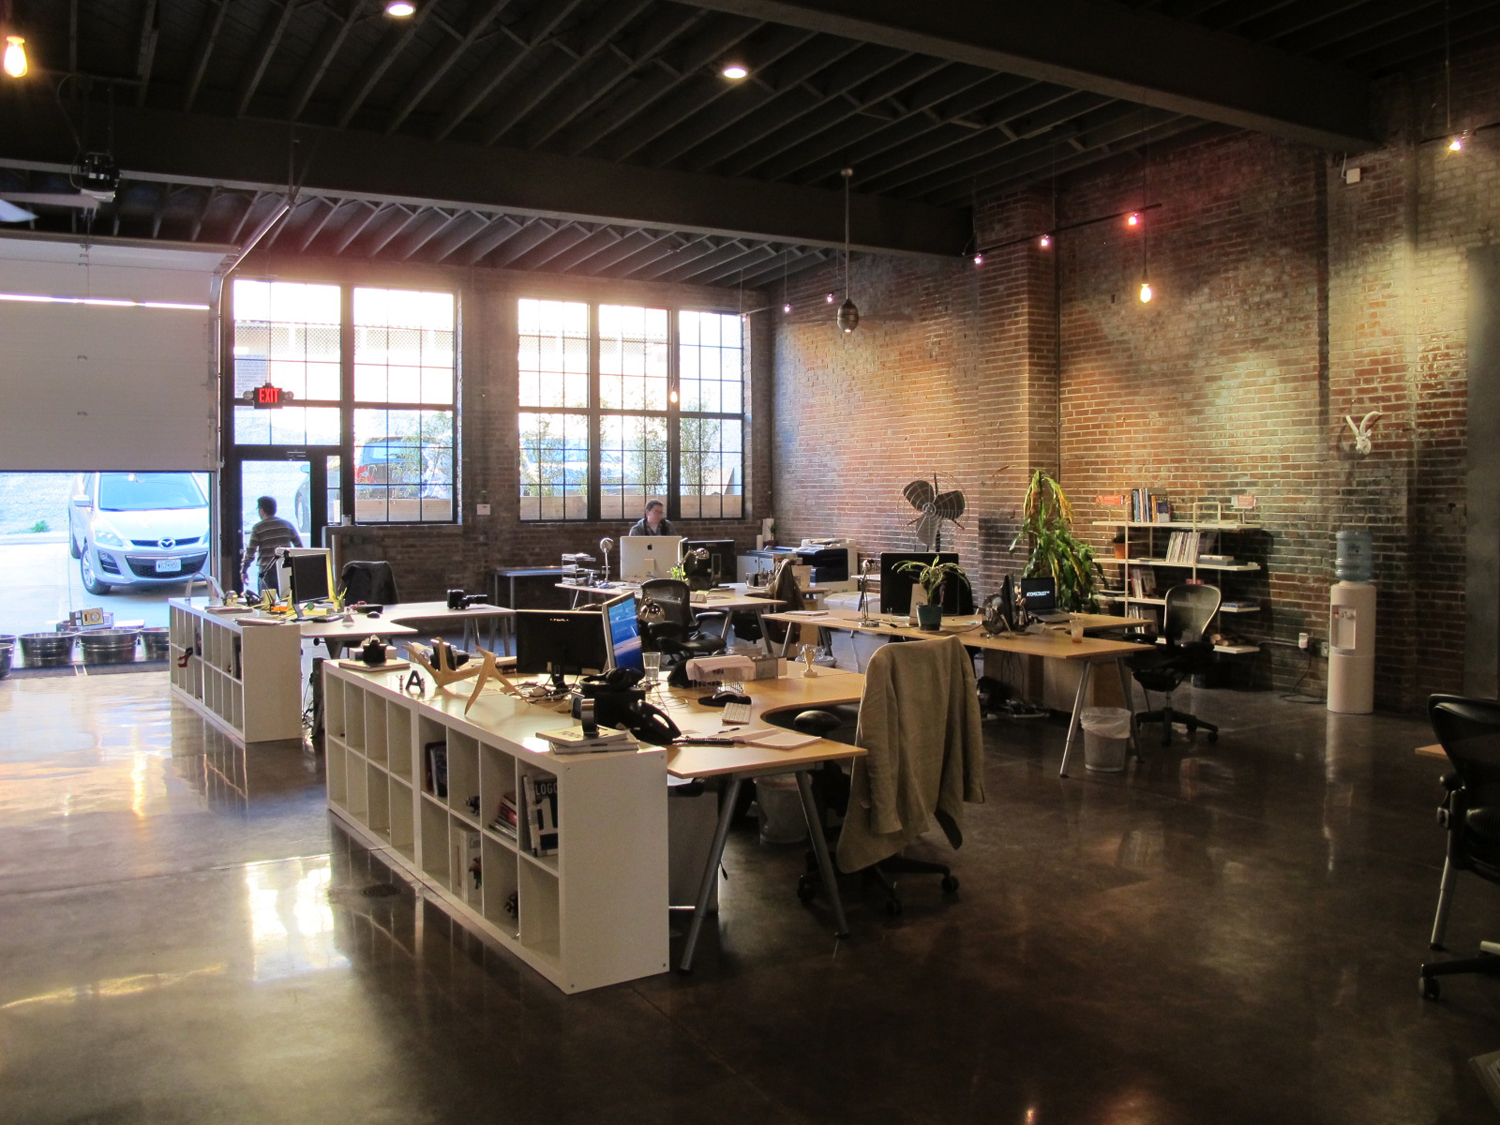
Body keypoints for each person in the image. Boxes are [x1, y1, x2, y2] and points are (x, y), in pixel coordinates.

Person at [241, 495, 302, 594]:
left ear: (262, 510)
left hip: (266, 571)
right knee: (287, 602)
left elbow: (250, 552)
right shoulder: (287, 525)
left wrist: (244, 570)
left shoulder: (258, 528)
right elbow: (299, 548)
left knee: (267, 604)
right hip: (285, 569)